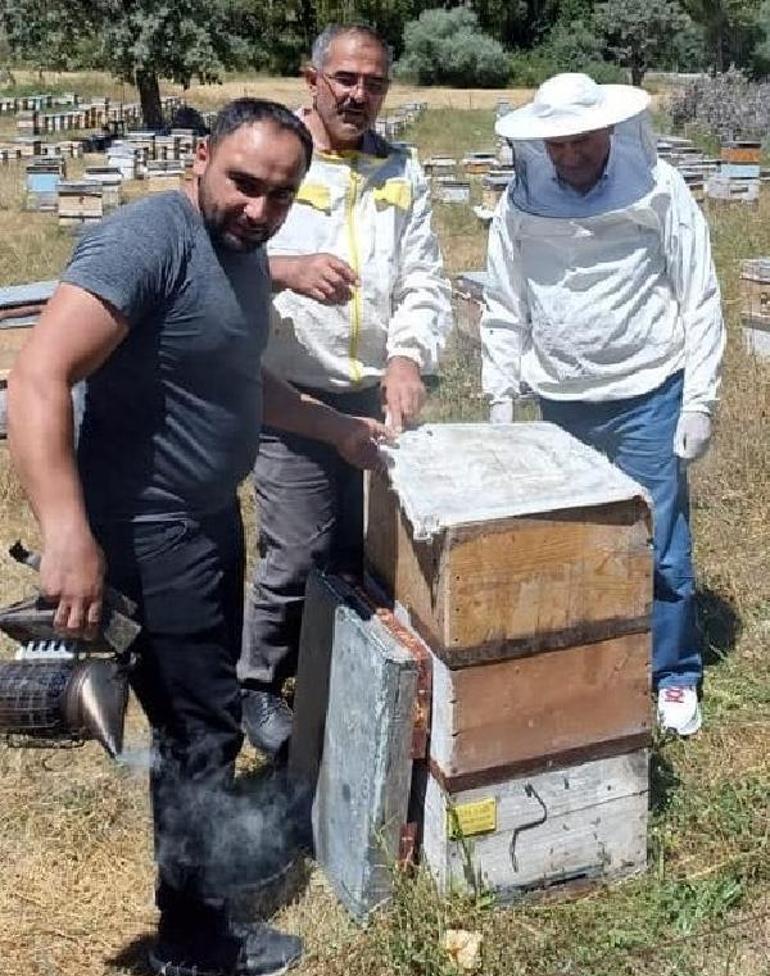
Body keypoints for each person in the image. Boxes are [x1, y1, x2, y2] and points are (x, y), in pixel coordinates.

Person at [7, 97, 390, 976]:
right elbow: (37, 376)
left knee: (202, 715)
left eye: (280, 195)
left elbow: (234, 373)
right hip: (148, 528)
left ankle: (198, 892)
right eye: (244, 184)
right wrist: (66, 531)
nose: (259, 208)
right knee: (199, 731)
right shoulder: (151, 239)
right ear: (201, 158)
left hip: (207, 518)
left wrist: (332, 427)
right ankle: (192, 934)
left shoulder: (238, 254)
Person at [481, 73, 726, 737]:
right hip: (562, 399)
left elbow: (698, 290)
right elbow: (504, 303)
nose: (569, 154)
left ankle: (672, 672)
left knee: (660, 543)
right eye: (556, 143)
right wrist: (502, 392)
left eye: (581, 140)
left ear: (609, 130)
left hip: (650, 390)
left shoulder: (659, 186)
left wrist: (698, 399)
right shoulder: (521, 203)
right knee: (574, 540)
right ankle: (593, 666)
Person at [237, 23, 451, 754]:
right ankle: (259, 681)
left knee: (371, 552)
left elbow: (424, 277)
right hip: (289, 391)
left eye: (375, 83)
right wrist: (287, 271)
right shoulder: (271, 156)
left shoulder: (401, 171)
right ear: (312, 79)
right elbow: (211, 254)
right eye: (345, 80)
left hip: (374, 395)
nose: (359, 96)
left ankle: (344, 671)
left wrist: (409, 358)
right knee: (296, 549)